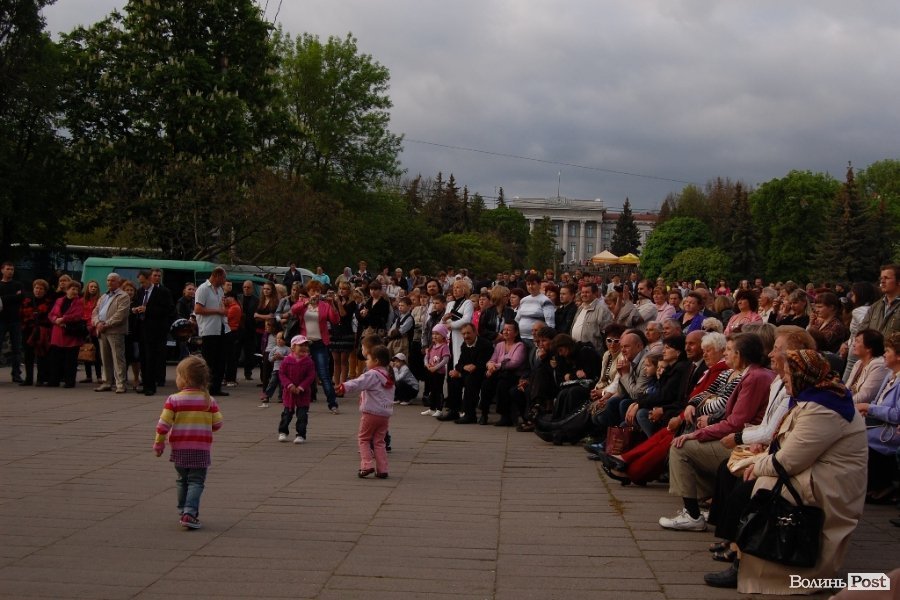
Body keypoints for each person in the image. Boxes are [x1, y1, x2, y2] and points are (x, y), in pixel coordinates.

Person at [705, 349, 867, 593]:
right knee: (741, 480)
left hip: (828, 484)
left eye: (789, 374)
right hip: (817, 471)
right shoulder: (817, 398)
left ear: (804, 376)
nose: (784, 377)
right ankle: (739, 555)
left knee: (755, 490)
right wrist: (757, 462)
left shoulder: (823, 408)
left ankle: (746, 564)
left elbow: (790, 460)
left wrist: (755, 466)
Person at [659, 333, 775, 532]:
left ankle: (692, 514)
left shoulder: (754, 377)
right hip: (745, 439)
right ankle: (709, 507)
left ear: (740, 354)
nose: (725, 354)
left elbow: (736, 423)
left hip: (745, 445)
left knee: (680, 447)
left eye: (729, 350)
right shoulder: (755, 374)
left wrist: (698, 434)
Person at [152, 356, 224, 530]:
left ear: (185, 379)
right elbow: (217, 424)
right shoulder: (208, 400)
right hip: (200, 449)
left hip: (179, 448)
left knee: (182, 480)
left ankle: (183, 509)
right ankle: (190, 512)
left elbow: (162, 425)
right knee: (196, 481)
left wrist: (159, 444)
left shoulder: (173, 400)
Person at [856, 331, 900, 504]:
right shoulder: (890, 375)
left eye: (888, 351)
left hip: (890, 430)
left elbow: (897, 414)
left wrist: (869, 408)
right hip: (878, 424)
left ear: (898, 356)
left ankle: (880, 485)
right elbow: (877, 400)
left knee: (859, 437)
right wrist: (869, 410)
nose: (884, 355)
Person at [338, 345, 394, 479]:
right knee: (379, 441)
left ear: (376, 361)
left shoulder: (373, 374)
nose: (366, 362)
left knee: (364, 439)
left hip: (371, 412)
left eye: (368, 359)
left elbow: (358, 383)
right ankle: (382, 469)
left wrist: (344, 386)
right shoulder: (388, 375)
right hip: (384, 414)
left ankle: (367, 465)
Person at [291, 280, 341, 414]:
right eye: (313, 290)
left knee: (324, 375)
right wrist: (307, 302)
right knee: (301, 374)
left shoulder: (324, 305)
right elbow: (293, 310)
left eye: (318, 290)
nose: (316, 293)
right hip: (305, 344)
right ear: (308, 292)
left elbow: (335, 320)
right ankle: (300, 402)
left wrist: (332, 304)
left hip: (320, 343)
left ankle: (333, 404)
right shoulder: (303, 303)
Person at [441, 322, 493, 423]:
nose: (466, 336)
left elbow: (483, 365)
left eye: (468, 333)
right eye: (464, 334)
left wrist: (467, 370)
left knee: (470, 380)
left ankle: (470, 415)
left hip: (484, 374)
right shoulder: (464, 345)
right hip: (469, 373)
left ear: (475, 332)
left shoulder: (485, 345)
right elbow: (459, 364)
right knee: (453, 378)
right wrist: (463, 369)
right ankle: (454, 411)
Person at [135, 269, 174, 395]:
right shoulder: (140, 291)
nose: (142, 285)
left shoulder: (163, 292)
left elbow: (168, 309)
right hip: (142, 329)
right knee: (143, 358)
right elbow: (137, 303)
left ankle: (151, 386)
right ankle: (145, 383)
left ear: (149, 279)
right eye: (140, 282)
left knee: (152, 358)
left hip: (156, 330)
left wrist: (148, 309)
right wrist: (136, 309)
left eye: (143, 282)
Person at [480, 322, 527, 425]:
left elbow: (514, 363)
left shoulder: (520, 345)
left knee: (503, 384)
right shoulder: (499, 345)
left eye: (509, 330)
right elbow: (492, 359)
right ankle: (484, 414)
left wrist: (496, 366)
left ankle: (506, 417)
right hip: (499, 373)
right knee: (486, 383)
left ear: (516, 333)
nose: (505, 332)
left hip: (514, 375)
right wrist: (489, 365)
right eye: (504, 329)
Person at [92, 273, 132, 394]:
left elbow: (121, 315)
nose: (109, 282)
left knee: (118, 358)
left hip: (115, 331)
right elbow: (95, 311)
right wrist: (97, 322)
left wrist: (106, 324)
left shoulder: (123, 296)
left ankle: (121, 384)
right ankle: (107, 382)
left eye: (113, 280)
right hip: (102, 330)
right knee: (105, 358)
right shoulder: (104, 296)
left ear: (118, 282)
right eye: (108, 280)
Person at [194, 268, 229, 396]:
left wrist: (224, 308)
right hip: (208, 329)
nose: (224, 281)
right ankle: (206, 387)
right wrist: (217, 311)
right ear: (217, 276)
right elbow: (198, 309)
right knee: (209, 360)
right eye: (223, 278)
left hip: (220, 327)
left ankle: (216, 387)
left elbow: (221, 306)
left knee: (220, 360)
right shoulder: (203, 289)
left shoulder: (220, 290)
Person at [276, 335, 316, 443]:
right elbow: (282, 374)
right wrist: (289, 385)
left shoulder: (309, 361)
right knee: (287, 414)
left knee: (302, 415)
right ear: (293, 347)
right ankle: (283, 431)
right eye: (301, 345)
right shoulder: (287, 360)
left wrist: (301, 387)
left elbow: (311, 376)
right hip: (289, 393)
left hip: (303, 393)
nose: (304, 348)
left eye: (305, 345)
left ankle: (301, 434)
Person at [48, 281, 85, 388]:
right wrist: (55, 320)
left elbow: (78, 315)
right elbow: (51, 314)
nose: (75, 291)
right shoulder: (59, 300)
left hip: (71, 333)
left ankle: (69, 381)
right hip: (57, 333)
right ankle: (54, 380)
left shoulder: (79, 302)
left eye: (77, 289)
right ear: (67, 290)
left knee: (70, 360)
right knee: (55, 359)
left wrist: (63, 319)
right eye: (73, 289)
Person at [19, 279, 54, 386]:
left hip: (41, 330)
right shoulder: (26, 300)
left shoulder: (49, 302)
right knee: (28, 355)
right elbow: (21, 314)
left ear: (45, 291)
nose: (38, 290)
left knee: (41, 354)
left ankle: (40, 378)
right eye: (36, 288)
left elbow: (50, 316)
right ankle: (28, 378)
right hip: (28, 330)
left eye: (41, 288)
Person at [845, 329, 890, 405]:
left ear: (869, 348)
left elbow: (865, 397)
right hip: (850, 403)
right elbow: (846, 389)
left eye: (857, 341)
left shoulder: (878, 365)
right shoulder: (859, 363)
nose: (853, 344)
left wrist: (841, 403)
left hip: (861, 409)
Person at [0, 261, 25, 382]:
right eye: (8, 269)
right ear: (2, 270)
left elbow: (21, 297)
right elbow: (16, 298)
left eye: (12, 269)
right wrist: (13, 297)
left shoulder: (18, 284)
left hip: (15, 319)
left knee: (16, 348)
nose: (10, 271)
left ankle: (16, 374)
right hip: (1, 320)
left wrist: (3, 299)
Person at [516, 274, 556, 350]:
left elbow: (550, 323)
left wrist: (544, 341)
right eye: (528, 284)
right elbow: (517, 319)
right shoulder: (523, 300)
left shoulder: (545, 301)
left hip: (535, 340)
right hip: (521, 338)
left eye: (533, 284)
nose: (530, 286)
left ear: (539, 284)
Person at [570, 282, 613, 351]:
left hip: (593, 352)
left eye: (587, 292)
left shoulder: (602, 310)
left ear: (595, 293)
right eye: (582, 292)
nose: (584, 295)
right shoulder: (580, 308)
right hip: (577, 350)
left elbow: (607, 333)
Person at [422, 324, 451, 417]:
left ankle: (439, 409)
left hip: (439, 373)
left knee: (438, 390)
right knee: (432, 390)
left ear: (443, 335)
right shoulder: (432, 346)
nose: (434, 336)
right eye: (433, 333)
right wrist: (427, 365)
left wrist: (436, 367)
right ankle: (432, 408)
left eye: (437, 334)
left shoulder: (444, 346)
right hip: (431, 371)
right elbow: (426, 357)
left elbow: (445, 359)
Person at [80, 280, 102, 384]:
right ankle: (88, 376)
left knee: (97, 354)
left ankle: (99, 376)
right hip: (84, 329)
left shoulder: (100, 300)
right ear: (87, 288)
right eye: (91, 287)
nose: (93, 288)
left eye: (95, 287)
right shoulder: (82, 300)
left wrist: (92, 325)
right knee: (86, 352)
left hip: (95, 329)